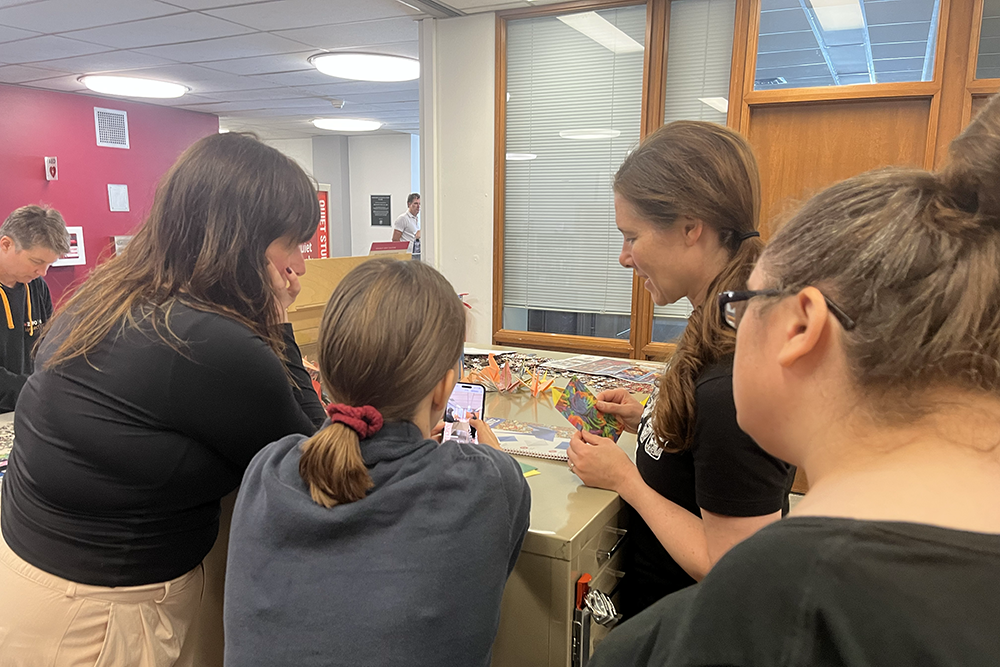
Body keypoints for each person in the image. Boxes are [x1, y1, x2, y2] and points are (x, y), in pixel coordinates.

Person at [589, 94, 1000, 667]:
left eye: (746, 304)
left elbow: (727, 536)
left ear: (802, 324)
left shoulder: (776, 603)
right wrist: (655, 418)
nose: (732, 323)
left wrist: (628, 480)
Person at [0, 132, 326, 666]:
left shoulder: (110, 297)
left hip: (36, 579)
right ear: (239, 240)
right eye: (290, 243)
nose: (301, 265)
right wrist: (278, 329)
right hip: (102, 613)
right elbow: (316, 462)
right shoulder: (209, 340)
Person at [224, 258, 530, 667]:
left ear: (326, 377)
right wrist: (486, 454)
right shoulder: (487, 481)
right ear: (443, 387)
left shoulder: (267, 471)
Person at [566, 121, 795, 618]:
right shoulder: (720, 326)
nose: (625, 258)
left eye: (632, 237)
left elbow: (730, 560)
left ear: (692, 228)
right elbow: (712, 454)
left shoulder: (730, 380)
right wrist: (649, 418)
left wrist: (626, 479)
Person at [0, 205, 69, 412]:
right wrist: (38, 390)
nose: (42, 272)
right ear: (6, 245)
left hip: (28, 407)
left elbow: (49, 346)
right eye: (36, 261)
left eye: (50, 264)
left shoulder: (37, 286)